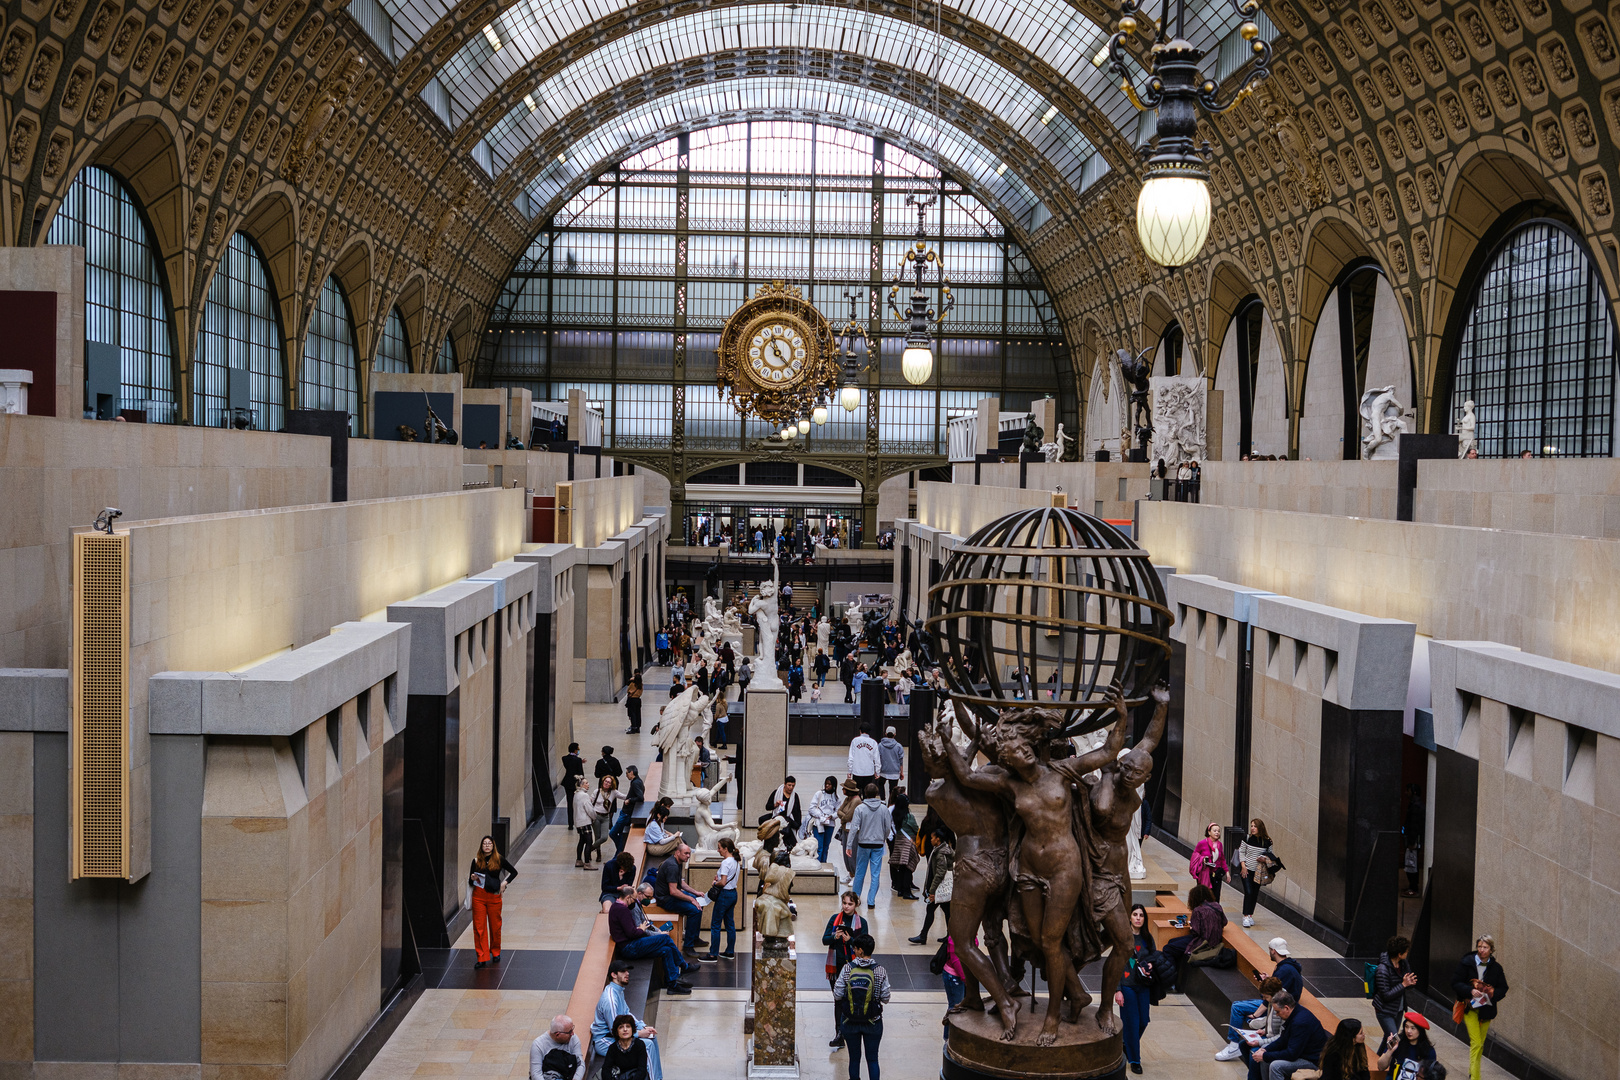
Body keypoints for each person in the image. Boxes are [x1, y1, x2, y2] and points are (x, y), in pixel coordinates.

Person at [607, 886, 692, 993]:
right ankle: (683, 965)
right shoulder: (623, 910)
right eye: (633, 899)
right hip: (630, 947)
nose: (634, 901)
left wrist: (638, 929)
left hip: (629, 945)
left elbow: (629, 930)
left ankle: (672, 984)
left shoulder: (615, 906)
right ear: (628, 897)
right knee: (665, 938)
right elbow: (632, 933)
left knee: (667, 950)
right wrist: (641, 929)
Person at [592, 960, 664, 1080]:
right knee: (647, 1046)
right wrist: (639, 1033)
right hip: (605, 1040)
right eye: (623, 971)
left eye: (627, 970)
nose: (627, 973)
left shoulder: (618, 990)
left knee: (652, 1036)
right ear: (614, 975)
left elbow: (626, 1014)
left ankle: (658, 1077)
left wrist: (643, 1026)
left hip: (618, 1033)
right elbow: (615, 1030)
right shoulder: (610, 1000)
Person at [1449, 934, 1508, 1080]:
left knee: (1480, 1044)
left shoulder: (1496, 968)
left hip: (1486, 1010)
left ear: (1491, 949)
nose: (1482, 950)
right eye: (1480, 947)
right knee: (1476, 1043)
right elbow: (1455, 983)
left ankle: (1471, 1072)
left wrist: (1492, 993)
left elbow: (1503, 988)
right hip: (1470, 1008)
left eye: (1485, 947)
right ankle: (1475, 1077)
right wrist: (1470, 990)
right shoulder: (1467, 963)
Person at [833, 933, 889, 1080]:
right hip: (873, 1021)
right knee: (872, 1059)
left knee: (854, 1059)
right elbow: (886, 997)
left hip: (850, 1021)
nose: (853, 951)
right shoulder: (880, 970)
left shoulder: (847, 969)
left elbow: (837, 994)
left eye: (855, 948)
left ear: (860, 951)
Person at [823, 891, 871, 1048]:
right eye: (844, 903)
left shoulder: (861, 922)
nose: (846, 906)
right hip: (836, 966)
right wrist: (834, 937)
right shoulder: (834, 919)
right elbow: (824, 940)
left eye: (850, 904)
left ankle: (850, 1031)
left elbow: (865, 946)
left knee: (851, 999)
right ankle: (839, 1033)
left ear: (856, 904)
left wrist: (851, 941)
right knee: (838, 999)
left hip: (854, 967)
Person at [1245, 991, 1327, 1080]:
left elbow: (1292, 1054)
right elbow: (1282, 1039)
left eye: (1278, 1012)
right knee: (1265, 1051)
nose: (1277, 1015)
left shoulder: (1300, 1022)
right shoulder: (1294, 1013)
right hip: (1300, 1052)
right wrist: (1265, 1050)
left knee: (1276, 1066)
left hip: (1312, 1060)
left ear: (1286, 1008)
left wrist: (1265, 1056)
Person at [1115, 903, 1156, 1075]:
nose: (1138, 918)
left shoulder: (1147, 938)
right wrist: (1117, 990)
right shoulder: (1123, 937)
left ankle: (1125, 1044)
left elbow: (1154, 956)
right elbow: (1115, 965)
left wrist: (1151, 965)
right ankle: (1135, 1060)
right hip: (1127, 986)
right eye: (1135, 915)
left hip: (1143, 985)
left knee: (1143, 1021)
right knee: (1132, 1023)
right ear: (1130, 917)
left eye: (1141, 915)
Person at [1163, 884, 1226, 988]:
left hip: (1202, 943)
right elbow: (1224, 922)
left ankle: (1171, 981)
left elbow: (1196, 932)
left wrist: (1192, 926)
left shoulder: (1198, 910)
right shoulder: (1217, 906)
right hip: (1216, 941)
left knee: (1168, 948)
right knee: (1172, 942)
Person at [467, 835, 517, 968]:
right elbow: (470, 881)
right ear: (481, 846)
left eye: (489, 843)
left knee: (495, 926)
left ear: (493, 846)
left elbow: (514, 872)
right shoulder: (476, 861)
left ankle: (495, 952)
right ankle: (481, 956)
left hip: (494, 896)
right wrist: (473, 877)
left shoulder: (499, 859)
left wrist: (505, 883)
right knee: (479, 927)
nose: (487, 845)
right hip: (479, 897)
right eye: (484, 843)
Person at [653, 843, 708, 956]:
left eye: (689, 853)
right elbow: (673, 891)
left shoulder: (677, 862)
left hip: (672, 895)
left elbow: (680, 882)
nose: (688, 856)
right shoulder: (672, 866)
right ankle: (688, 946)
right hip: (666, 899)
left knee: (699, 902)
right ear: (677, 853)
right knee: (695, 910)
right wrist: (690, 899)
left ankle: (694, 938)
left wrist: (695, 893)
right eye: (686, 853)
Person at [1216, 976, 1286, 1061]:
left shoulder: (1280, 1009)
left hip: (1274, 1040)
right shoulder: (1273, 1001)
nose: (1264, 999)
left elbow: (1281, 1036)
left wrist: (1260, 1042)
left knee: (1254, 1053)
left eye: (1266, 997)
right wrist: (1264, 1030)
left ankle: (1235, 1047)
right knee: (1243, 1045)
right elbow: (1272, 1025)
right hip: (1269, 1035)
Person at [846, 784, 894, 909]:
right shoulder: (883, 809)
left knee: (860, 872)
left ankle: (855, 898)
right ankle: (871, 901)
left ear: (865, 793)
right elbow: (888, 827)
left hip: (863, 843)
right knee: (875, 873)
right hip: (878, 843)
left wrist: (849, 845)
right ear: (877, 793)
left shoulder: (860, 808)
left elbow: (854, 827)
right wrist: (883, 837)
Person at [909, 828, 954, 944]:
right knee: (947, 911)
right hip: (940, 887)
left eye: (932, 838)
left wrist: (932, 890)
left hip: (939, 888)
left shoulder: (940, 853)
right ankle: (950, 936)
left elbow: (940, 873)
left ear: (938, 839)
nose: (931, 840)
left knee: (930, 910)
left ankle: (923, 936)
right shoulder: (942, 849)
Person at [1372, 936, 1418, 1040]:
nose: (1407, 953)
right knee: (1394, 1039)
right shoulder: (1382, 969)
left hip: (1398, 1008)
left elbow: (1408, 982)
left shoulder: (1403, 963)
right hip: (1384, 1010)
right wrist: (1403, 984)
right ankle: (1386, 1056)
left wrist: (1410, 983)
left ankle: (1379, 1056)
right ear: (1399, 954)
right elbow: (1386, 995)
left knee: (1388, 1039)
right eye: (1406, 951)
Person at [1237, 818, 1277, 927]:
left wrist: (1264, 859)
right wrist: (1243, 866)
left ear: (1260, 828)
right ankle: (1245, 916)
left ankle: (1250, 915)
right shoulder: (1247, 838)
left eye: (1255, 826)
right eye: (1251, 826)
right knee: (1248, 892)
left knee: (1254, 893)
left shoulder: (1267, 841)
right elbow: (1241, 851)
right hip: (1247, 869)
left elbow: (1270, 856)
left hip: (1259, 872)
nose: (1252, 828)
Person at [707, 836, 740, 960]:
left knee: (716, 924)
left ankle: (713, 954)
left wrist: (715, 883)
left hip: (724, 895)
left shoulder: (726, 862)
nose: (718, 850)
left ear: (726, 849)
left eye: (719, 848)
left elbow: (723, 882)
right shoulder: (736, 861)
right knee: (730, 924)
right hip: (733, 894)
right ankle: (730, 951)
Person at [1376, 1012, 1437, 1078]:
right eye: (1406, 1027)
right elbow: (1380, 1067)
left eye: (1413, 1028)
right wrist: (1390, 1050)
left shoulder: (1429, 1051)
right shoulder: (1396, 1040)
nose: (1408, 1031)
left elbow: (1431, 1075)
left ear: (1420, 1030)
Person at [886, 790, 919, 900]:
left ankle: (900, 889)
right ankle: (906, 891)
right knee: (908, 868)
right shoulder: (909, 817)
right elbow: (916, 829)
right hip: (908, 843)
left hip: (899, 842)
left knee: (901, 867)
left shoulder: (896, 815)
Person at [530, 1015, 585, 1080]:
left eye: (572, 1029)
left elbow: (580, 1064)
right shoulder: (538, 1045)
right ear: (557, 1035)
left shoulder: (573, 1039)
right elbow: (536, 1074)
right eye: (569, 1032)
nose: (572, 1034)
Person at [601, 1014, 650, 1080]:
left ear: (632, 1029)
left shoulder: (639, 1045)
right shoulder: (613, 1048)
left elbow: (642, 1069)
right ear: (617, 1031)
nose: (625, 1029)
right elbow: (606, 1070)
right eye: (621, 1027)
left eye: (628, 1026)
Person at [808, 776, 841, 863]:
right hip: (819, 823)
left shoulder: (837, 797)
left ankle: (823, 863)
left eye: (829, 784)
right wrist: (820, 815)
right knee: (819, 846)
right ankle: (817, 864)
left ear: (833, 786)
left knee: (826, 846)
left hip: (830, 824)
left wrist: (832, 816)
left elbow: (839, 811)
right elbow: (811, 808)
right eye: (826, 784)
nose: (827, 786)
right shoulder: (819, 794)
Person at [1191, 821, 1227, 900]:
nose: (1217, 833)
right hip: (1204, 873)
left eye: (1218, 831)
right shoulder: (1202, 843)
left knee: (1215, 896)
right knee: (1204, 895)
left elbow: (1222, 859)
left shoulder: (1220, 845)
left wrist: (1227, 872)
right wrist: (1202, 859)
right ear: (1209, 832)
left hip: (1216, 874)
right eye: (1214, 831)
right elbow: (1195, 856)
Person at [591, 775, 621, 862]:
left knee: (604, 837)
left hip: (605, 817)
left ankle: (591, 848)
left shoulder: (613, 792)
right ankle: (598, 854)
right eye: (605, 781)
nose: (606, 783)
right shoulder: (597, 791)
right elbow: (590, 802)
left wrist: (632, 798)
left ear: (611, 785)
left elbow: (624, 796)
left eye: (609, 782)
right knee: (597, 836)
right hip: (596, 816)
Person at [573, 778, 598, 869]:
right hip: (585, 822)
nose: (588, 784)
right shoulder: (584, 795)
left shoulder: (576, 794)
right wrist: (594, 817)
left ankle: (579, 860)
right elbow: (589, 809)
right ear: (581, 785)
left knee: (581, 841)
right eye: (586, 783)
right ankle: (587, 863)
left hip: (578, 822)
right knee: (589, 842)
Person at [847, 725, 880, 793]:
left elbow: (851, 757)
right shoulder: (873, 742)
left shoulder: (855, 741)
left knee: (856, 793)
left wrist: (850, 770)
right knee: (868, 793)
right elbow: (877, 758)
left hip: (857, 771)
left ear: (860, 731)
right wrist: (877, 771)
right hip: (869, 771)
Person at [561, 744, 586, 826]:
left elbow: (570, 765)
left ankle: (570, 823)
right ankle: (578, 821)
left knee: (569, 802)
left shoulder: (564, 758)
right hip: (576, 783)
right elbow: (580, 772)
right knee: (578, 802)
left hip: (567, 782)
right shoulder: (578, 760)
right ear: (575, 750)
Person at [877, 727, 904, 802]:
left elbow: (877, 758)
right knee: (893, 789)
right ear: (895, 734)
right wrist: (901, 772)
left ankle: (883, 799)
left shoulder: (880, 745)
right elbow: (900, 760)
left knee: (880, 784)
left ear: (885, 734)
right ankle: (891, 802)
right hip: (894, 771)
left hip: (883, 770)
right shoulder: (898, 746)